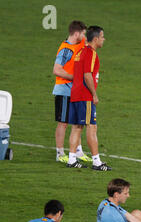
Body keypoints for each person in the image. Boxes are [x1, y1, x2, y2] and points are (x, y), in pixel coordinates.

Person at [67, 25, 111, 171]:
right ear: (96, 38)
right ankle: (96, 161)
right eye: (102, 36)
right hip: (85, 96)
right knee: (92, 127)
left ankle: (72, 159)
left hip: (75, 94)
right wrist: (94, 94)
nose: (104, 39)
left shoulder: (80, 52)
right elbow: (87, 75)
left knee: (76, 127)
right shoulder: (91, 53)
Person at [52, 20, 91, 164]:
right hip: (64, 90)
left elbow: (88, 43)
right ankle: (60, 152)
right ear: (76, 33)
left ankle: (78, 151)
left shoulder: (80, 43)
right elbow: (56, 70)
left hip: (75, 91)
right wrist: (76, 77)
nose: (85, 36)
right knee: (63, 123)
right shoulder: (66, 50)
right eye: (83, 33)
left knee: (76, 122)